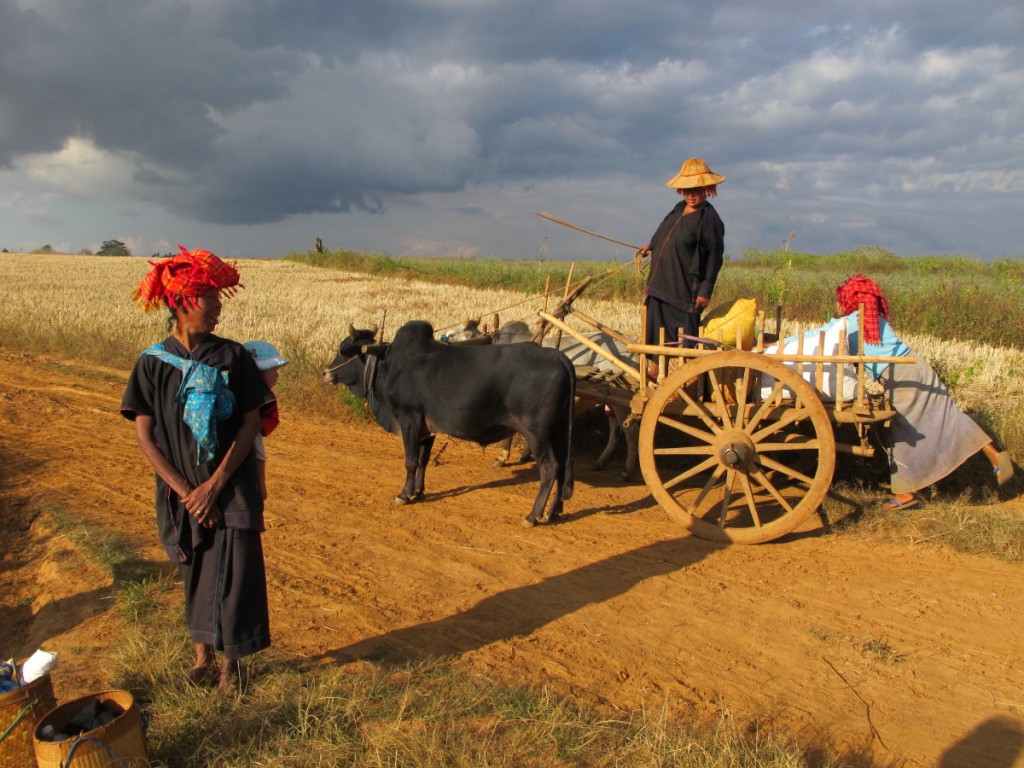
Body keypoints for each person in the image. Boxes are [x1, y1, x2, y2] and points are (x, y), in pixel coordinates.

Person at [120, 246, 275, 693]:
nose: (219, 309)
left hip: (231, 485)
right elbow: (146, 437)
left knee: (238, 571)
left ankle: (232, 666)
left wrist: (215, 484)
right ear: (185, 301)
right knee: (196, 567)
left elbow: (250, 423)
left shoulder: (233, 357)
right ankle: (202, 657)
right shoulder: (151, 364)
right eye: (211, 299)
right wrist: (189, 492)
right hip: (180, 493)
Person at [804, 274, 1014, 509]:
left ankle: (907, 493)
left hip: (902, 376)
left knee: (904, 430)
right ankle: (994, 454)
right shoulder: (875, 320)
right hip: (917, 369)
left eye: (840, 298)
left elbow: (815, 336)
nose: (837, 303)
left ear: (850, 300)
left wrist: (773, 344)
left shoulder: (851, 322)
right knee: (948, 415)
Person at [636, 157, 726, 376]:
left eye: (696, 189)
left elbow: (715, 257)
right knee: (656, 326)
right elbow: (664, 231)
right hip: (660, 282)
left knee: (681, 333)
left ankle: (681, 376)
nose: (691, 194)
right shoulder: (678, 208)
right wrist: (652, 245)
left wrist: (705, 291)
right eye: (686, 190)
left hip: (684, 287)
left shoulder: (710, 219)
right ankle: (655, 368)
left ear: (706, 189)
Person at [242, 340, 289, 500]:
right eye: (273, 370)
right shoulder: (254, 406)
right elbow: (257, 450)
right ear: (258, 372)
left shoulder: (238, 396)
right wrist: (260, 483)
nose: (277, 375)